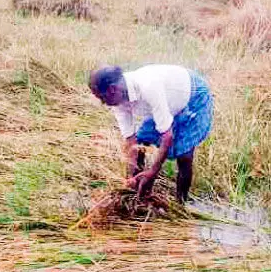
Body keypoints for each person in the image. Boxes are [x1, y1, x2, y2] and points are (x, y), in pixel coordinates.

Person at [88, 64, 213, 202]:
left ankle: (181, 202)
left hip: (193, 94)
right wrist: (130, 176)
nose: (103, 103)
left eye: (102, 97)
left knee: (184, 154)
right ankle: (139, 192)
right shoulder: (118, 99)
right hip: (169, 100)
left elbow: (167, 136)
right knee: (141, 142)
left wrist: (153, 171)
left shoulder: (148, 86)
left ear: (112, 89)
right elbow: (131, 140)